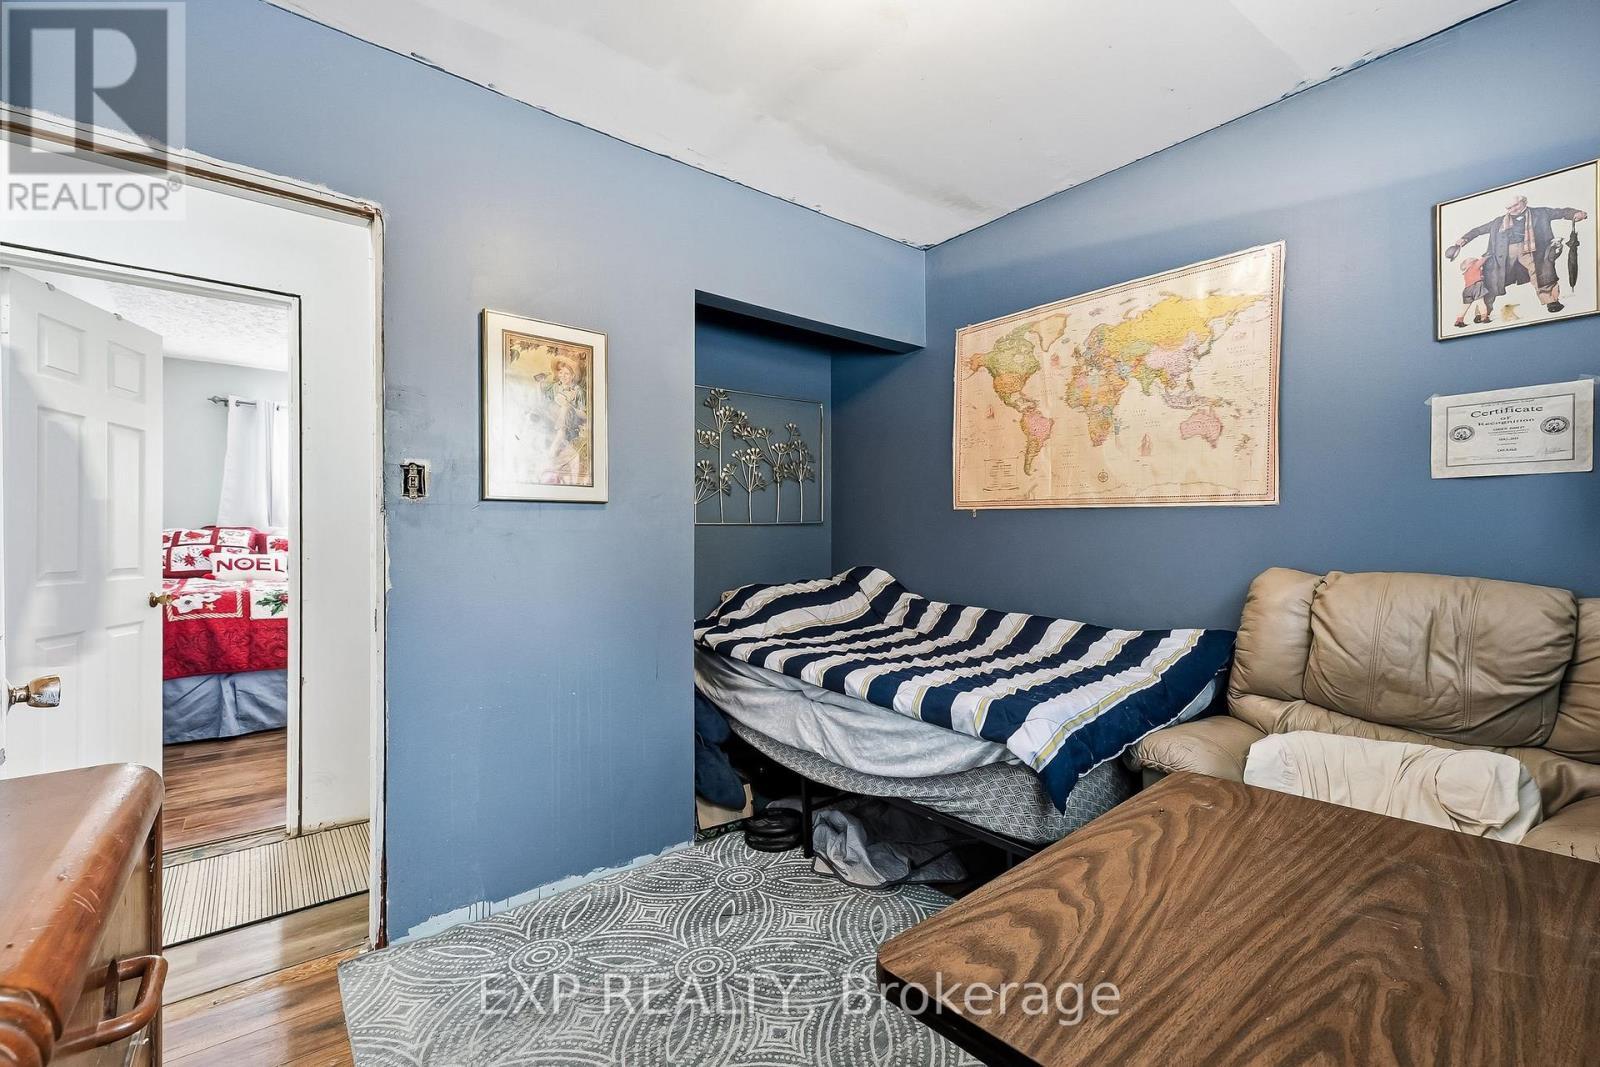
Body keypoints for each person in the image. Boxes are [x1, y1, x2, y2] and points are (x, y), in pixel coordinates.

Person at [1446, 194, 1588, 315]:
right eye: (1509, 208)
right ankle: (1483, 312)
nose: (1512, 210)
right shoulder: (1499, 221)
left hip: (1532, 249)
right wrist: (1464, 239)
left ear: (1524, 202)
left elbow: (1560, 212)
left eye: (1516, 205)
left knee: (1540, 273)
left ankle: (1551, 301)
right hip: (1503, 253)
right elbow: (1478, 230)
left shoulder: (1541, 212)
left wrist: (1575, 213)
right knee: (1492, 279)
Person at [1453, 255, 1491, 328]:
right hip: (1476, 287)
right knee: (1481, 302)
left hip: (1467, 290)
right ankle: (1484, 318)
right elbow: (1481, 261)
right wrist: (1487, 256)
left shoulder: (1466, 273)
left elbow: (1473, 277)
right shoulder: (1474, 266)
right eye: (1475, 261)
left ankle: (1459, 321)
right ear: (1472, 263)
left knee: (1464, 307)